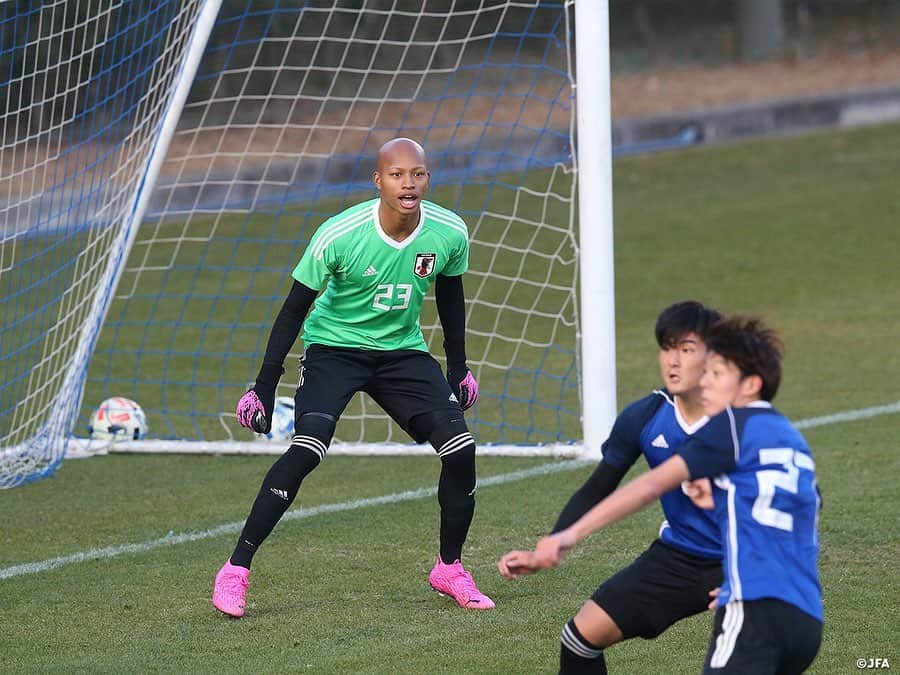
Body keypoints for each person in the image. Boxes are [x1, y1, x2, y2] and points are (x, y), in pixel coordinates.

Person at [213, 137, 494, 617]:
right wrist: (262, 386)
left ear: (427, 178)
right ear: (378, 180)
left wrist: (459, 367)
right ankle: (236, 570)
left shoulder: (449, 232)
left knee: (461, 448)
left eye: (418, 174)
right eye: (398, 174)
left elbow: (451, 299)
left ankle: (449, 567)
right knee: (309, 446)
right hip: (334, 351)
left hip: (402, 353)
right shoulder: (339, 234)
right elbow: (292, 312)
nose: (409, 183)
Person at [499, 317, 822, 674]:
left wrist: (568, 537)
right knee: (580, 637)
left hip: (749, 595)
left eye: (713, 369)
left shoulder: (728, 425)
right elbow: (799, 509)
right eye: (668, 348)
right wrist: (719, 500)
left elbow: (650, 486)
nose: (682, 365)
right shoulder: (788, 437)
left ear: (750, 384)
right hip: (796, 609)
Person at [522, 300, 725, 673]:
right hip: (678, 557)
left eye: (686, 349)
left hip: (745, 560)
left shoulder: (742, 421)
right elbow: (598, 487)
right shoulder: (646, 416)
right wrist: (553, 541)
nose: (673, 361)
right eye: (667, 348)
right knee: (579, 640)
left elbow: (796, 503)